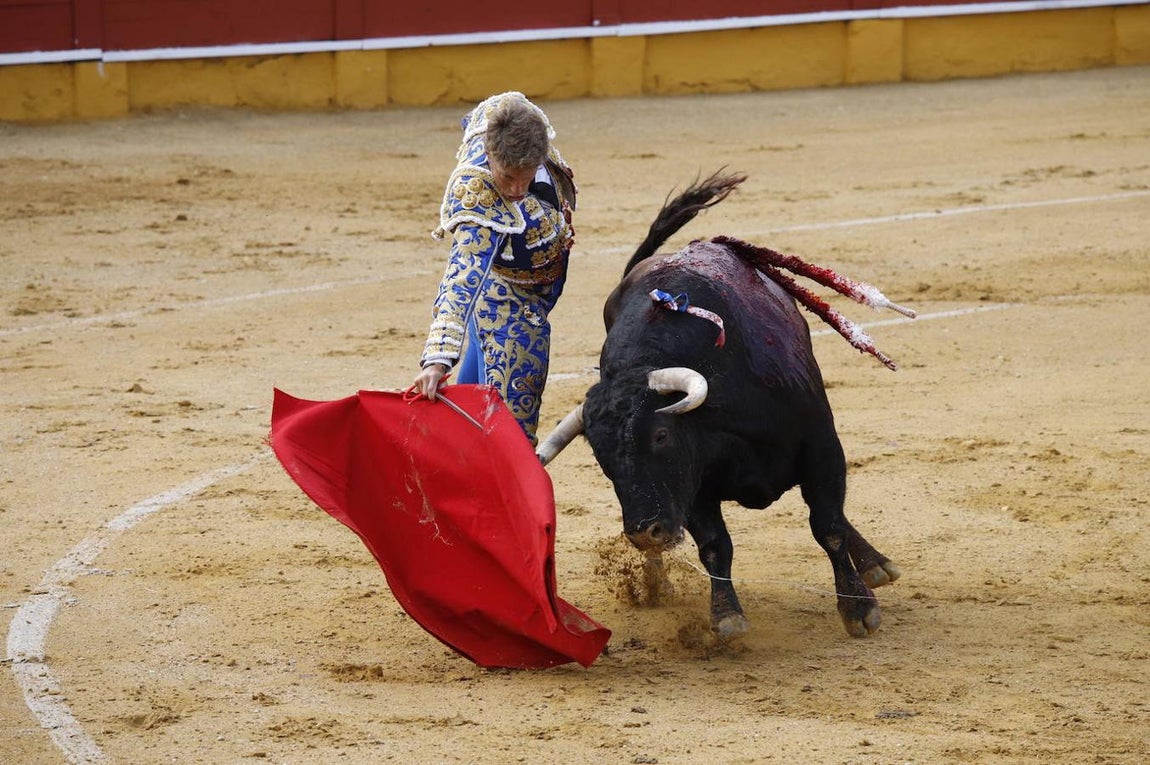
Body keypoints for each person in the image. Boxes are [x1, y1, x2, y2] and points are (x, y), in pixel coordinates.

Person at [412, 91, 576, 445]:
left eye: (525, 176)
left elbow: (489, 114)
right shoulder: (479, 199)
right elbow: (462, 277)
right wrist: (437, 359)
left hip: (544, 281)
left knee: (470, 391)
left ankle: (455, 447)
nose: (516, 190)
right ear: (489, 155)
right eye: (506, 177)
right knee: (510, 429)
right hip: (506, 294)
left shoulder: (525, 124)